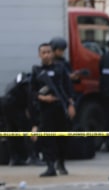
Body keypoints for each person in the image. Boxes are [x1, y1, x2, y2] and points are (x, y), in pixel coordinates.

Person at [29, 43, 76, 177]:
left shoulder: (60, 68)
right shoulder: (36, 71)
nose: (47, 55)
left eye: (49, 52)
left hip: (60, 108)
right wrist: (42, 98)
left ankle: (60, 163)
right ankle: (50, 166)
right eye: (43, 52)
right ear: (39, 55)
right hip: (45, 110)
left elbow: (68, 88)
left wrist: (71, 104)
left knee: (62, 138)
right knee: (47, 139)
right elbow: (31, 91)